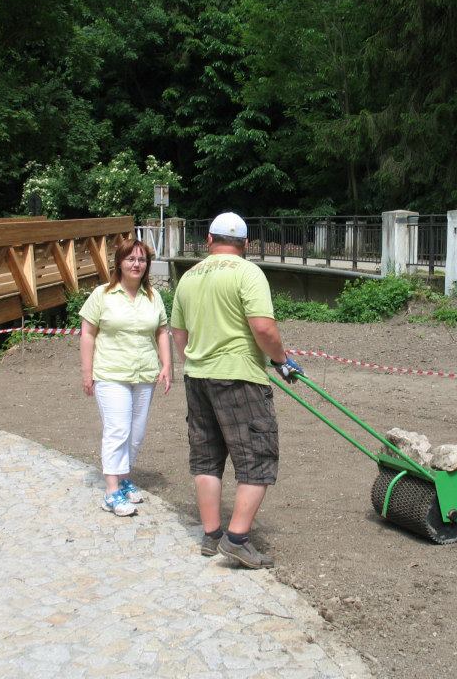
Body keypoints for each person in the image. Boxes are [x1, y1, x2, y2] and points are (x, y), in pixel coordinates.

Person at [170, 212, 303, 569]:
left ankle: (211, 536)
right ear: (245, 245)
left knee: (206, 456)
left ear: (209, 240)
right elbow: (264, 329)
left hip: (196, 377)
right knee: (257, 457)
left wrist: (199, 361)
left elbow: (179, 337)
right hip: (240, 377)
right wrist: (281, 361)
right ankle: (237, 540)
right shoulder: (248, 273)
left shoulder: (188, 278)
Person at [79, 237, 171, 517]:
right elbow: (87, 334)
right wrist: (87, 372)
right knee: (117, 429)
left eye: (141, 259)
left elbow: (162, 332)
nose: (136, 264)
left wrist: (167, 365)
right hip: (111, 373)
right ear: (119, 263)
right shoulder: (101, 295)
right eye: (130, 259)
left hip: (143, 373)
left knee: (136, 433)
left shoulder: (153, 297)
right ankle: (110, 491)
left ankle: (123, 476)